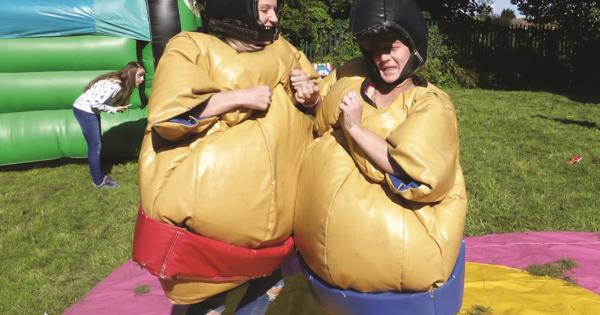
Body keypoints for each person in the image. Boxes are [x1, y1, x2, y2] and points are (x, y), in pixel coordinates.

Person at [132, 0, 320, 314]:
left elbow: (317, 94)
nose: (273, 18)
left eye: (275, 9)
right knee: (207, 302)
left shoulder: (283, 50)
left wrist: (309, 95)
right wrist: (240, 97)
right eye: (264, 9)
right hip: (209, 227)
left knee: (262, 291)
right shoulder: (192, 47)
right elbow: (169, 117)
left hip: (272, 225)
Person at [294, 0, 467, 301]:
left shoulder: (430, 104)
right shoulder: (352, 75)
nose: (382, 58)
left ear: (412, 46)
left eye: (391, 47)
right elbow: (321, 108)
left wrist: (356, 130)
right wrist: (309, 99)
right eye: (375, 50)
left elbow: (415, 174)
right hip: (321, 267)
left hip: (404, 270)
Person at [72, 61, 145, 188]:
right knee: (96, 146)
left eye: (143, 75)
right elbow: (95, 103)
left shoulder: (118, 81)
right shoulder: (116, 85)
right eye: (140, 75)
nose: (142, 79)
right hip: (85, 110)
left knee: (96, 145)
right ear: (131, 74)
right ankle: (98, 181)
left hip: (87, 110)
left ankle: (99, 176)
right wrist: (114, 109)